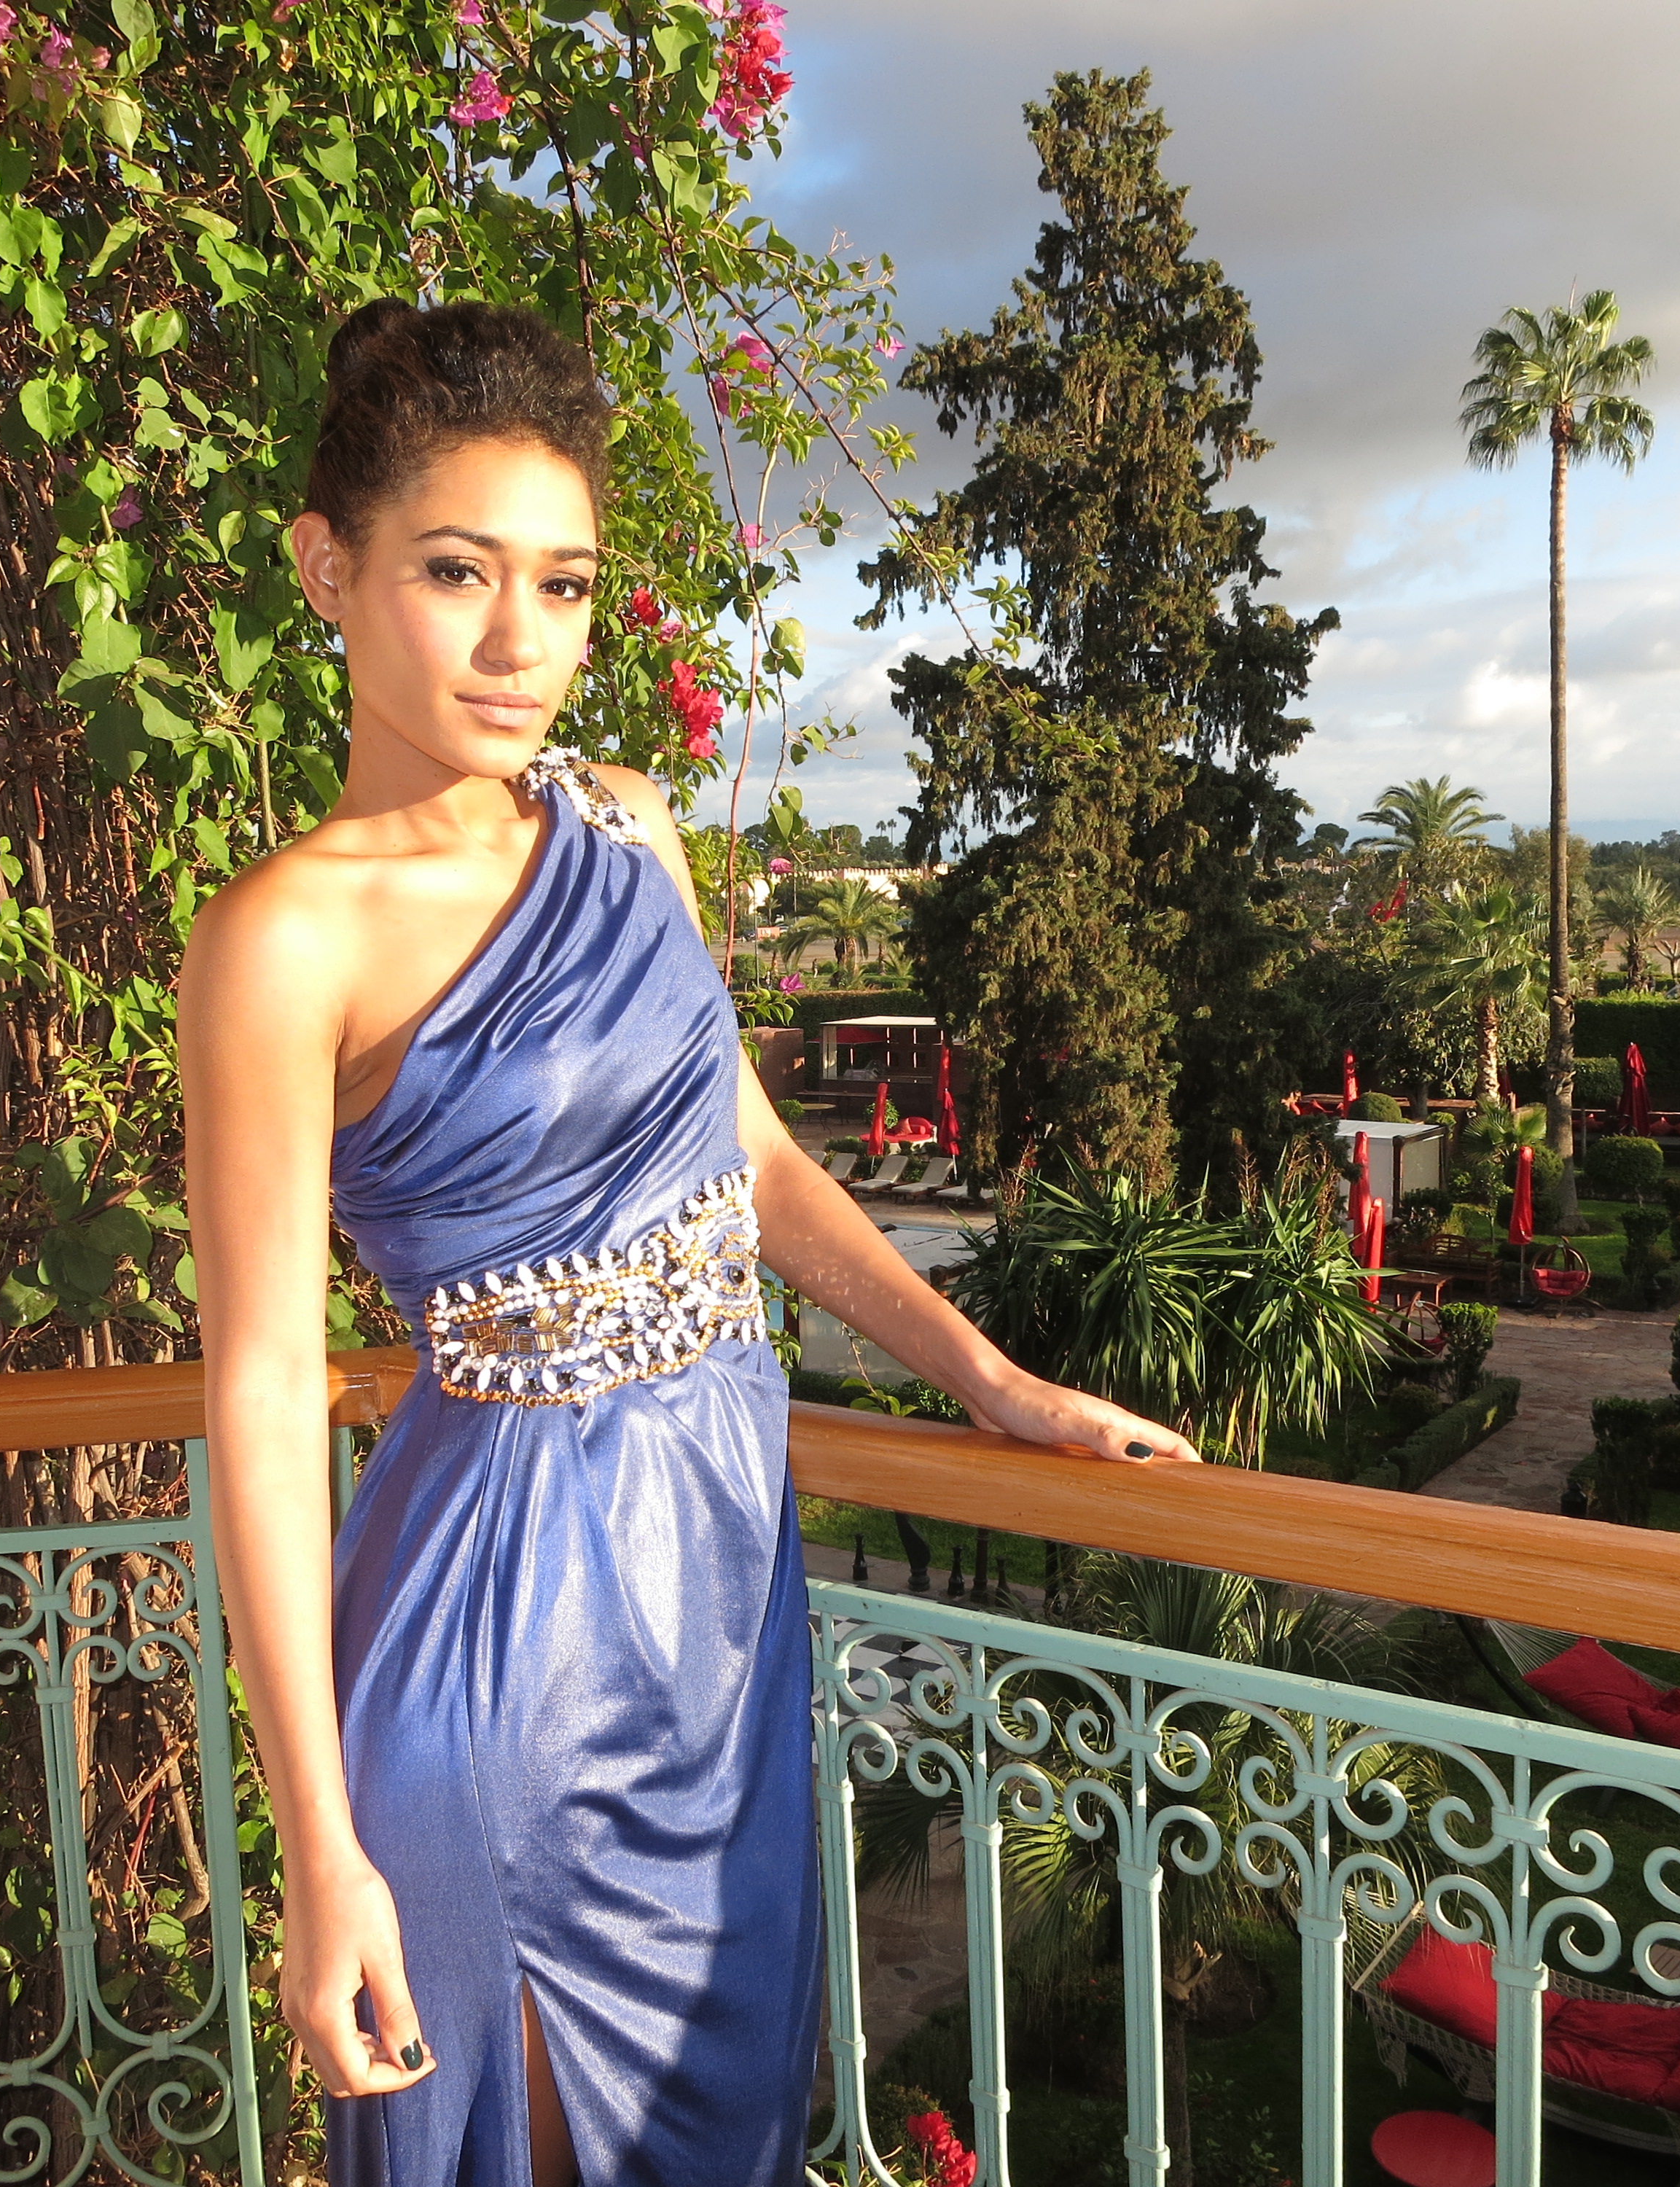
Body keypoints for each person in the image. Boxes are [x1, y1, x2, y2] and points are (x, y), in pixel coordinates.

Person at [179, 297, 1195, 2187]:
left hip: (719, 1600)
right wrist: (319, 1848)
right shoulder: (283, 938)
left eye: (563, 586)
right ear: (328, 568)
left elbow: (751, 1158)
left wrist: (988, 1378)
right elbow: (255, 1391)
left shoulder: (629, 825)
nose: (520, 642)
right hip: (500, 1630)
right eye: (457, 572)